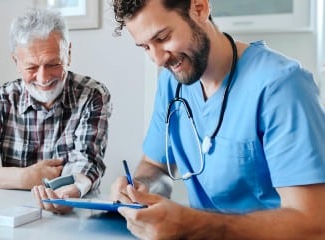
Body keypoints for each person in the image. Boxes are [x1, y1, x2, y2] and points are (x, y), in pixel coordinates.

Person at [110, 0, 325, 239]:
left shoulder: (281, 86)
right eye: (145, 47)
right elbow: (155, 166)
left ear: (199, 8)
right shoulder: (172, 83)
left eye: (162, 38)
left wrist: (192, 225)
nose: (158, 59)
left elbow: (312, 224)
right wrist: (140, 189)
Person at [0, 8, 111, 214]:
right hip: (13, 216)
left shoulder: (92, 95)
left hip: (75, 216)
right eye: (32, 67)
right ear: (16, 62)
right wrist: (23, 177)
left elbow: (88, 161)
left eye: (53, 64)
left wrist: (71, 192)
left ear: (68, 54)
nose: (43, 78)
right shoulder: (3, 100)